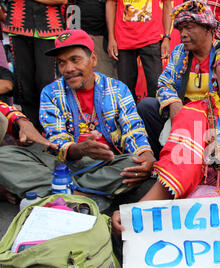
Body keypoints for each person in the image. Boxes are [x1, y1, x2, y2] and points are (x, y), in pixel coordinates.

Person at [112, 35, 220, 233]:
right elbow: (179, 166)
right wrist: (135, 211)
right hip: (206, 203)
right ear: (214, 71)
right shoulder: (194, 112)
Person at [0, 29, 155, 204]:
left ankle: (63, 195)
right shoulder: (51, 92)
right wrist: (79, 149)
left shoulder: (117, 89)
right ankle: (91, 195)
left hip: (108, 163)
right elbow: (56, 140)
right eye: (61, 63)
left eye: (75, 60)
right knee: (4, 156)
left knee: (133, 163)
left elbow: (133, 129)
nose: (68, 69)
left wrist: (146, 154)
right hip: (62, 166)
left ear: (93, 59)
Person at [136, 0, 219, 158]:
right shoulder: (180, 52)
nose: (183, 34)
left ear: (208, 28)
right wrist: (173, 102)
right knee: (146, 106)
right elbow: (164, 83)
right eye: (180, 29)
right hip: (182, 118)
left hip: (213, 121)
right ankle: (158, 160)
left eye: (189, 27)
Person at [3, 0, 67, 129]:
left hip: (48, 28)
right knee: (24, 81)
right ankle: (30, 125)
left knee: (45, 80)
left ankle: (50, 123)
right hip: (19, 26)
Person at [105, 0, 172, 100]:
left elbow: (167, 4)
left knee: (156, 87)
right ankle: (129, 115)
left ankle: (154, 115)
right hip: (124, 40)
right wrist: (111, 38)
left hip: (151, 38)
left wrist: (166, 37)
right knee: (125, 90)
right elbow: (110, 3)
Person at [70, 0, 118, 79]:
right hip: (76, 36)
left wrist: (111, 37)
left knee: (104, 79)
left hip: (101, 37)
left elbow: (112, 4)